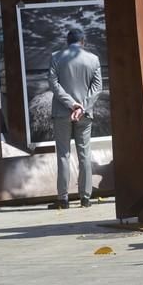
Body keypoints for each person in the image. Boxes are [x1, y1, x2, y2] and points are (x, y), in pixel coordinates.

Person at [47, 28, 102, 209]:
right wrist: (82, 106)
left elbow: (53, 85)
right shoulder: (93, 59)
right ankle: (85, 198)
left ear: (67, 42)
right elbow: (98, 88)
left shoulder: (56, 57)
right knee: (84, 155)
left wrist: (71, 104)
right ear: (83, 41)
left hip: (62, 113)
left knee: (63, 155)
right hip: (84, 114)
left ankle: (63, 199)